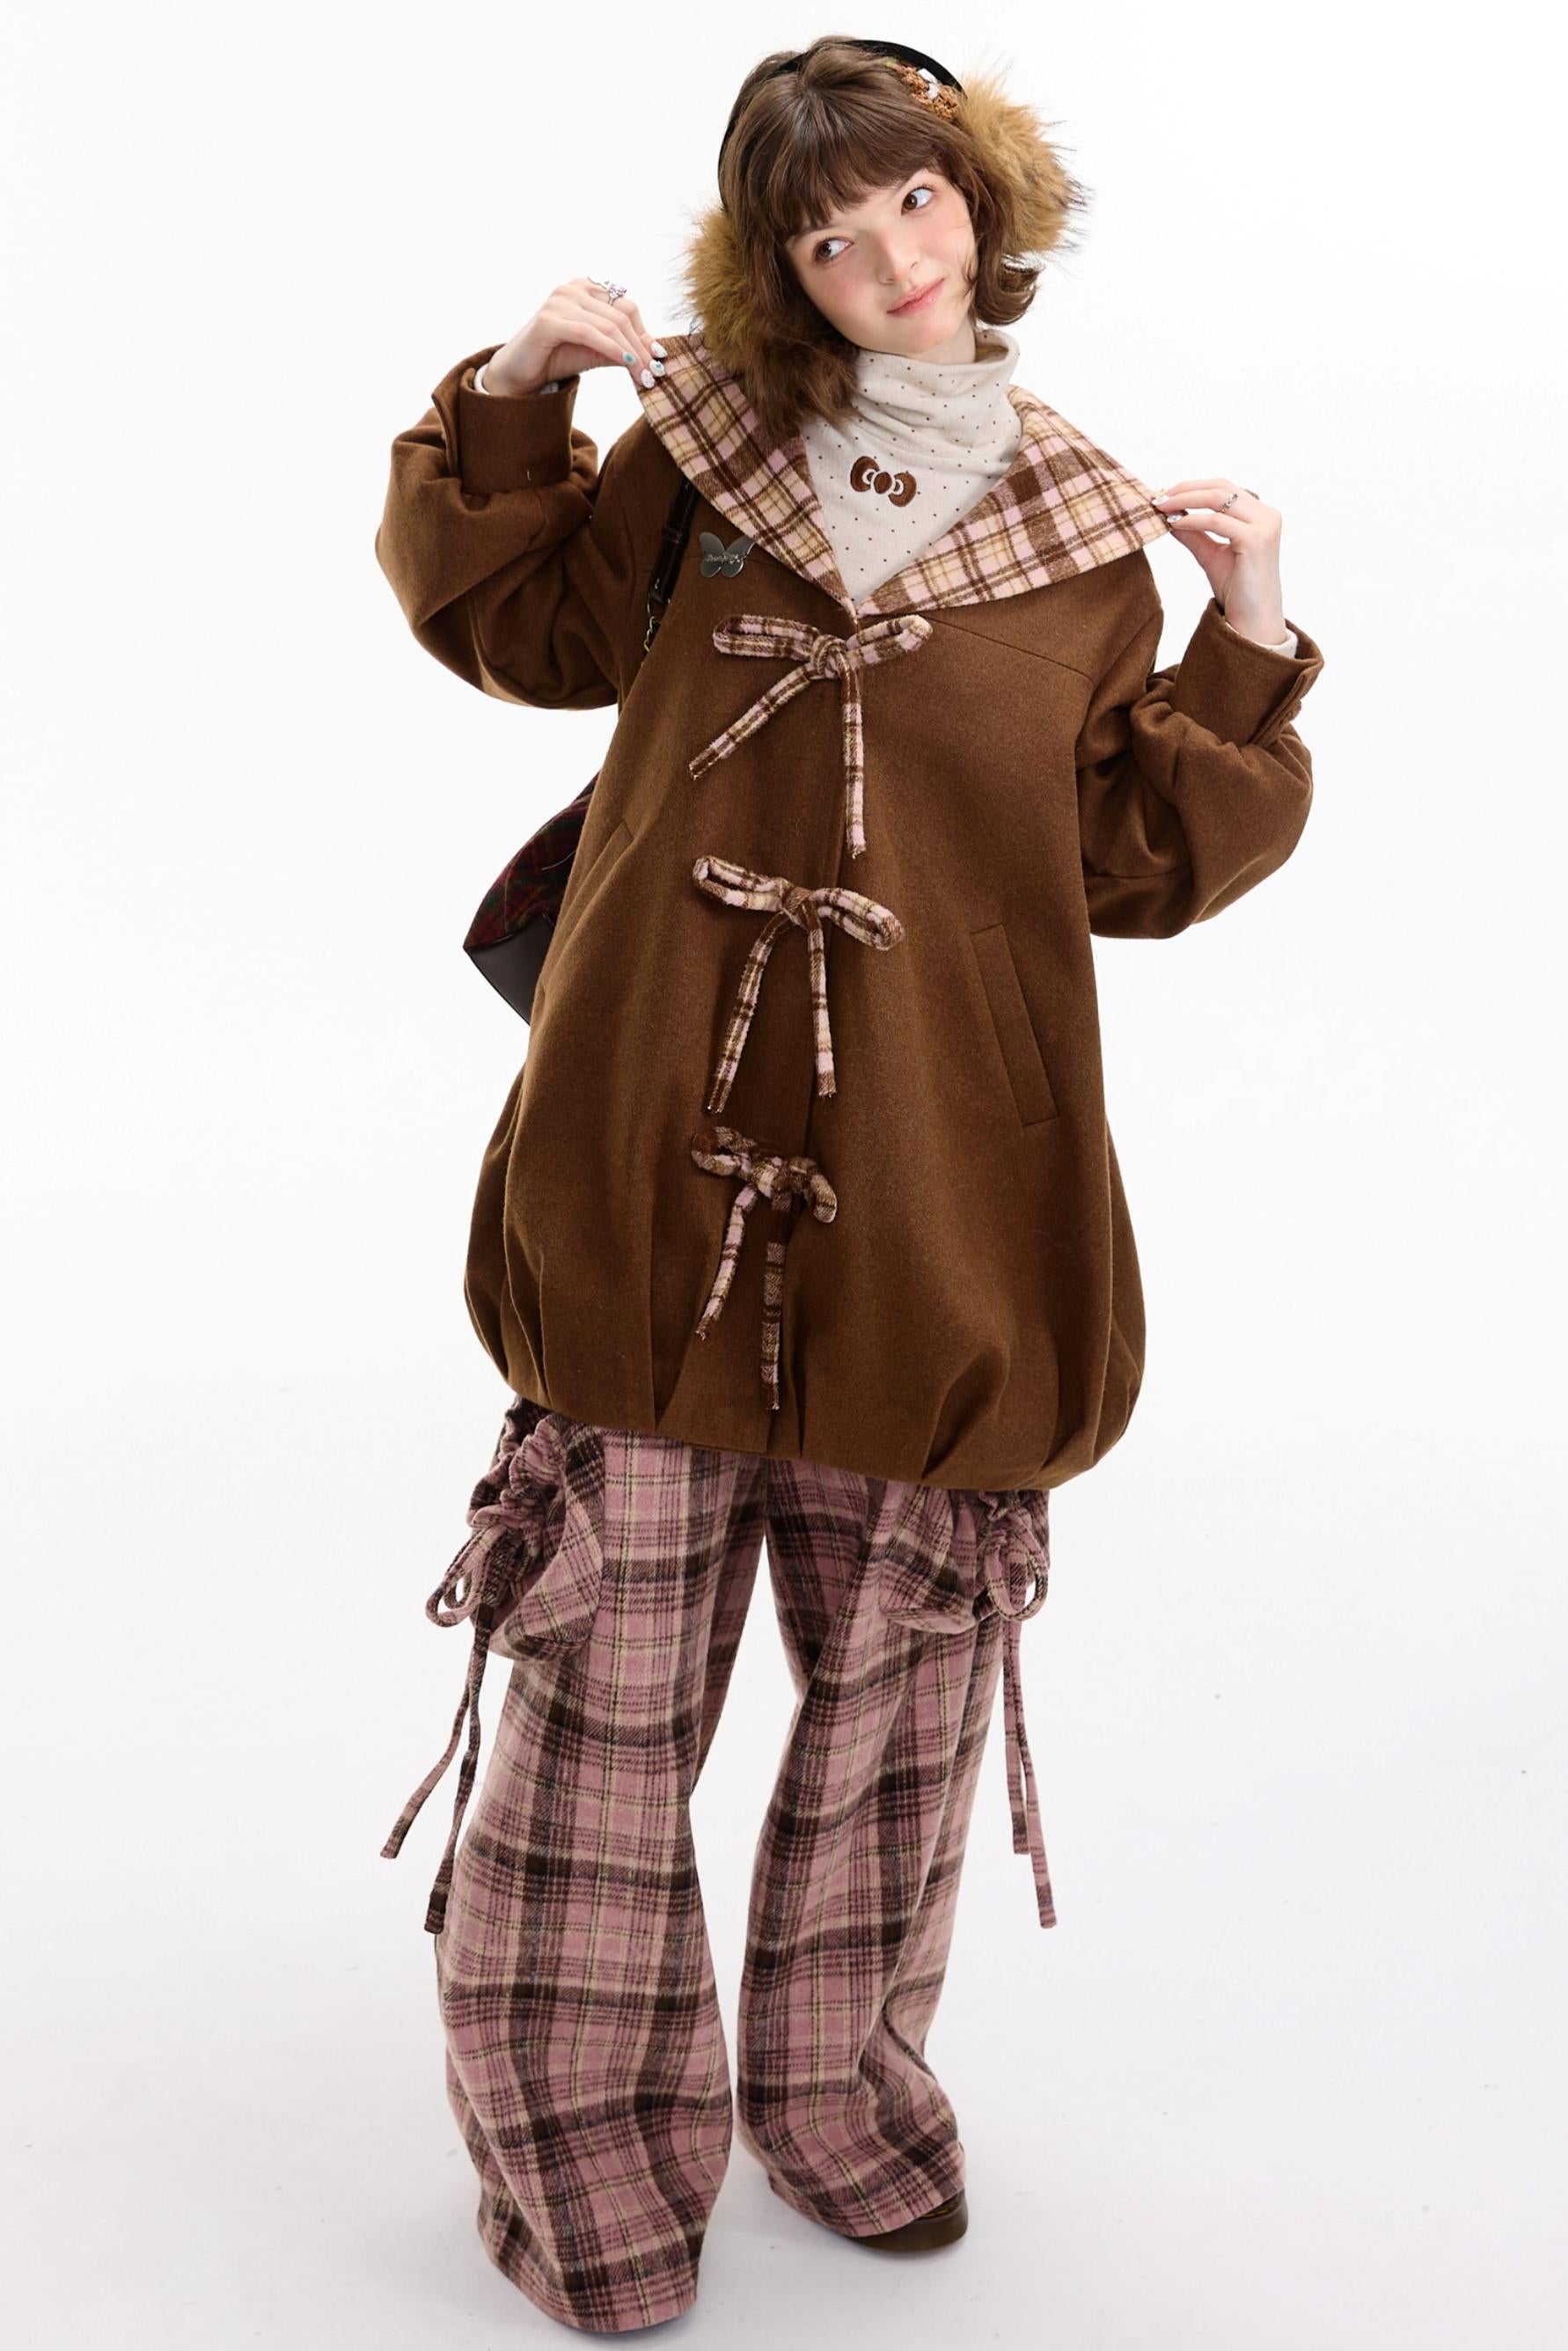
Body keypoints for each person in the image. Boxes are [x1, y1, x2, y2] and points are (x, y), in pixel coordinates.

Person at [372, 35, 1325, 2335]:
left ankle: (838, 2090)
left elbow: (1128, 861)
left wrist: (1248, 627)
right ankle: (587, 2160)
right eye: (825, 231)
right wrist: (519, 389)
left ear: (982, 202)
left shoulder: (1086, 535)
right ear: (772, 270)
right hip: (650, 1173)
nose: (887, 255)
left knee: (902, 1706)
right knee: (601, 1703)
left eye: (913, 199)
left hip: (940, 1201)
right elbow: (519, 630)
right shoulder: (701, 457)